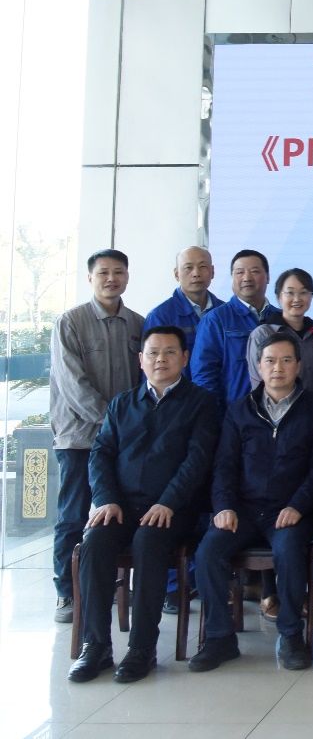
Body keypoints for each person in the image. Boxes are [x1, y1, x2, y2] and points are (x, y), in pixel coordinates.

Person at [67, 326, 220, 683]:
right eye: (153, 353)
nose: (160, 360)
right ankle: (96, 646)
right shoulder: (122, 403)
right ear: (141, 359)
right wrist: (106, 499)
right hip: (122, 506)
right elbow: (101, 454)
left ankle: (142, 648)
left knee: (149, 541)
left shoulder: (201, 403)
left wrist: (168, 502)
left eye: (169, 352)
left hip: (173, 510)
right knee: (94, 542)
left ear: (184, 358)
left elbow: (197, 461)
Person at [190, 331, 313, 672]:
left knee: (290, 551)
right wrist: (224, 506)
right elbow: (224, 466)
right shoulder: (240, 410)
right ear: (258, 366)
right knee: (208, 552)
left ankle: (291, 635)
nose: (277, 368)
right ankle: (220, 638)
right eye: (270, 361)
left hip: (292, 511)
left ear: (299, 365)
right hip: (244, 510)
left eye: (286, 360)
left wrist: (298, 505)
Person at [50, 249, 144, 623]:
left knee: (117, 512)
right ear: (90, 277)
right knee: (74, 514)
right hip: (79, 437)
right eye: (103, 272)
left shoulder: (138, 324)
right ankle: (66, 592)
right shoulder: (70, 322)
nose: (111, 279)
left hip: (123, 441)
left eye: (118, 272)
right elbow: (73, 384)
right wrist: (113, 423)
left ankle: (114, 587)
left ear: (127, 277)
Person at [192, 249, 280, 405]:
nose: (247, 278)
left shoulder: (281, 318)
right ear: (232, 278)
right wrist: (218, 416)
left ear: (268, 277)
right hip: (234, 414)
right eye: (239, 272)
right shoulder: (215, 320)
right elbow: (204, 376)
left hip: (279, 411)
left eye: (254, 271)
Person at [246, 268, 313, 401]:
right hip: (273, 410)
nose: (297, 299)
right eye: (290, 293)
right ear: (279, 297)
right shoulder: (263, 334)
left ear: (311, 296)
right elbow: (257, 382)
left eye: (304, 292)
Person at [143, 246, 223, 377]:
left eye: (203, 266)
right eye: (188, 267)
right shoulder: (160, 316)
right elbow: (151, 369)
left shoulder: (225, 312)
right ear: (176, 274)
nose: (196, 273)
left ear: (212, 272)